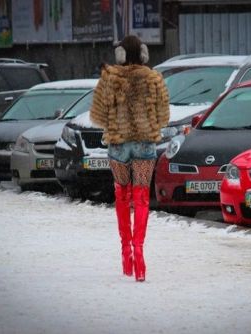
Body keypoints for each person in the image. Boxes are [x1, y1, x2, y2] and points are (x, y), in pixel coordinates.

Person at [90, 35, 170, 282]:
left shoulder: (109, 78)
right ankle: (140, 254)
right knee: (142, 197)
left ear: (121, 55)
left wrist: (118, 116)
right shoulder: (154, 78)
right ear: (143, 54)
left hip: (118, 146)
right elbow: (164, 116)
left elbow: (98, 117)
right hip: (145, 145)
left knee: (122, 195)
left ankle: (126, 254)